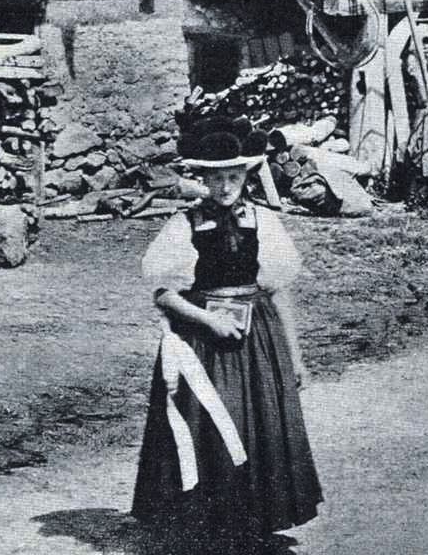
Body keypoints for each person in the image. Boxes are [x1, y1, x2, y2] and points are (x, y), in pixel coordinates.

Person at [131, 119, 322, 553]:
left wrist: (294, 356)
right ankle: (207, 520)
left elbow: (279, 292)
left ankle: (256, 518)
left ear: (246, 176)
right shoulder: (186, 225)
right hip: (204, 342)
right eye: (215, 179)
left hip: (258, 338)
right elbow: (165, 295)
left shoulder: (264, 222)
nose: (224, 188)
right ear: (203, 179)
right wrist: (207, 319)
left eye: (233, 177)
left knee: (261, 422)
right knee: (212, 423)